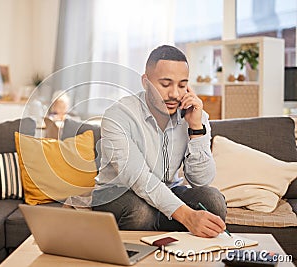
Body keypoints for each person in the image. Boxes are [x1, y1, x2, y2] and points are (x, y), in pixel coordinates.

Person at [92, 45, 227, 238]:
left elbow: (202, 181)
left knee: (213, 201)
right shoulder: (118, 115)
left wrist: (196, 129)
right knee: (141, 213)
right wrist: (188, 217)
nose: (174, 94)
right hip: (117, 194)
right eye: (165, 84)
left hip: (168, 190)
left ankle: (173, 244)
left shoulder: (195, 116)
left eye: (182, 85)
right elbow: (138, 179)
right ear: (145, 82)